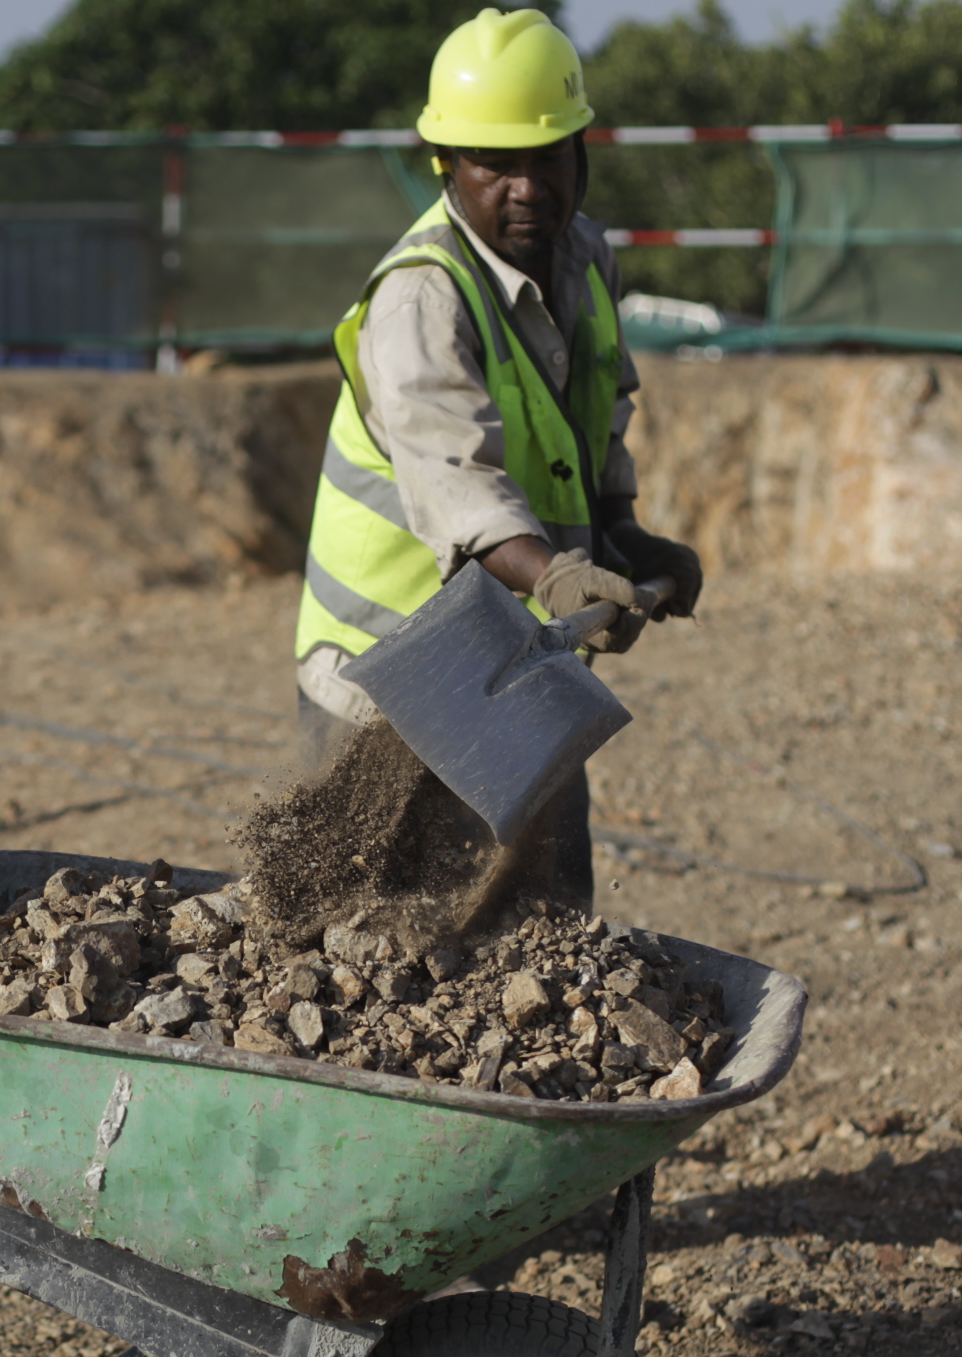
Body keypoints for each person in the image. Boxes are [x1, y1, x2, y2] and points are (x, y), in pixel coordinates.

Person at [292, 6, 705, 912]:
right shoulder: (420, 301)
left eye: (546, 158)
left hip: (516, 661)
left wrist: (626, 534)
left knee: (544, 925)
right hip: (389, 677)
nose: (526, 187)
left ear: (582, 153)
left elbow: (593, 425)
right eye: (495, 164)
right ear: (446, 166)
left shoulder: (588, 261)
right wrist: (558, 575)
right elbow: (459, 486)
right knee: (362, 944)